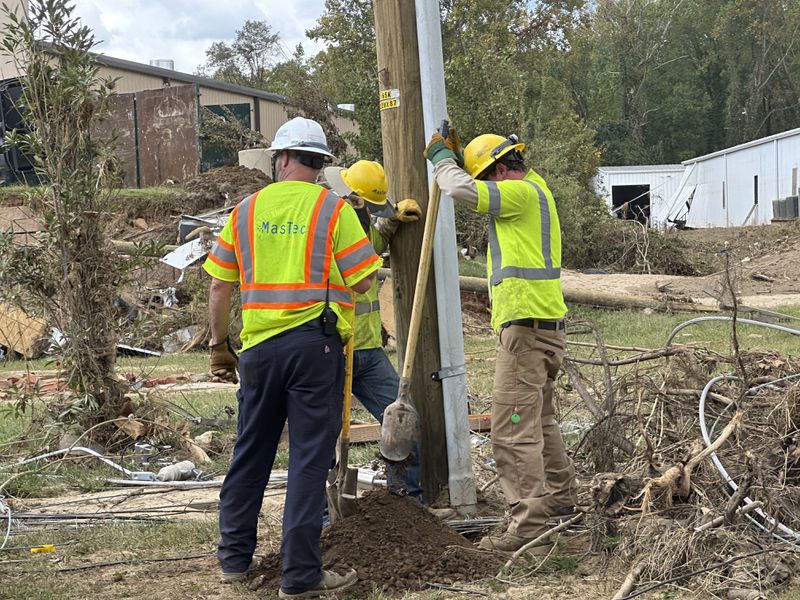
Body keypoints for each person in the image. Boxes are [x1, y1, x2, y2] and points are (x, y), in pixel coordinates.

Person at [205, 116, 381, 598]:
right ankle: (301, 577)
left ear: (280, 159)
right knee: (307, 460)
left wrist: (220, 347)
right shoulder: (333, 209)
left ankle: (234, 561)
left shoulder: (244, 210)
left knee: (251, 452)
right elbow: (364, 280)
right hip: (315, 347)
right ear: (320, 162)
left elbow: (220, 285)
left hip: (258, 351)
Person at [424, 129, 578, 553]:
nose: (485, 187)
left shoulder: (519, 194)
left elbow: (458, 188)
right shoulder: (536, 189)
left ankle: (530, 530)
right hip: (543, 329)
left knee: (511, 433)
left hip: (525, 333)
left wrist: (441, 158)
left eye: (486, 177)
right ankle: (562, 507)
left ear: (501, 169)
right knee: (540, 424)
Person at [322, 160, 424, 499]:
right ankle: (325, 512)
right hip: (333, 350)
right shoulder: (326, 229)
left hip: (366, 351)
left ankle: (406, 501)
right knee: (323, 434)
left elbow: (372, 246)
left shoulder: (362, 227)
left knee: (403, 421)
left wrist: (391, 220)